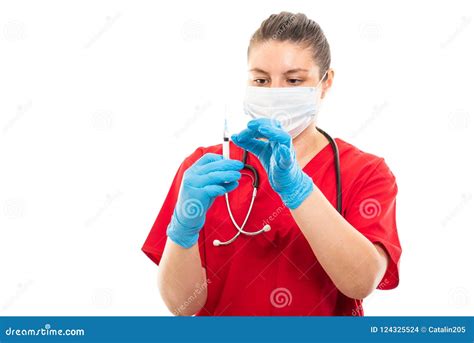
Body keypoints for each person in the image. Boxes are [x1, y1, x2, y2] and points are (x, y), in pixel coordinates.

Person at [141, 11, 402, 316]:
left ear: (325, 81)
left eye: (294, 80)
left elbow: (360, 282)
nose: (275, 93)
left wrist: (298, 190)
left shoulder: (365, 172)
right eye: (261, 79)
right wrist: (183, 227)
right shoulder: (206, 168)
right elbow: (181, 305)